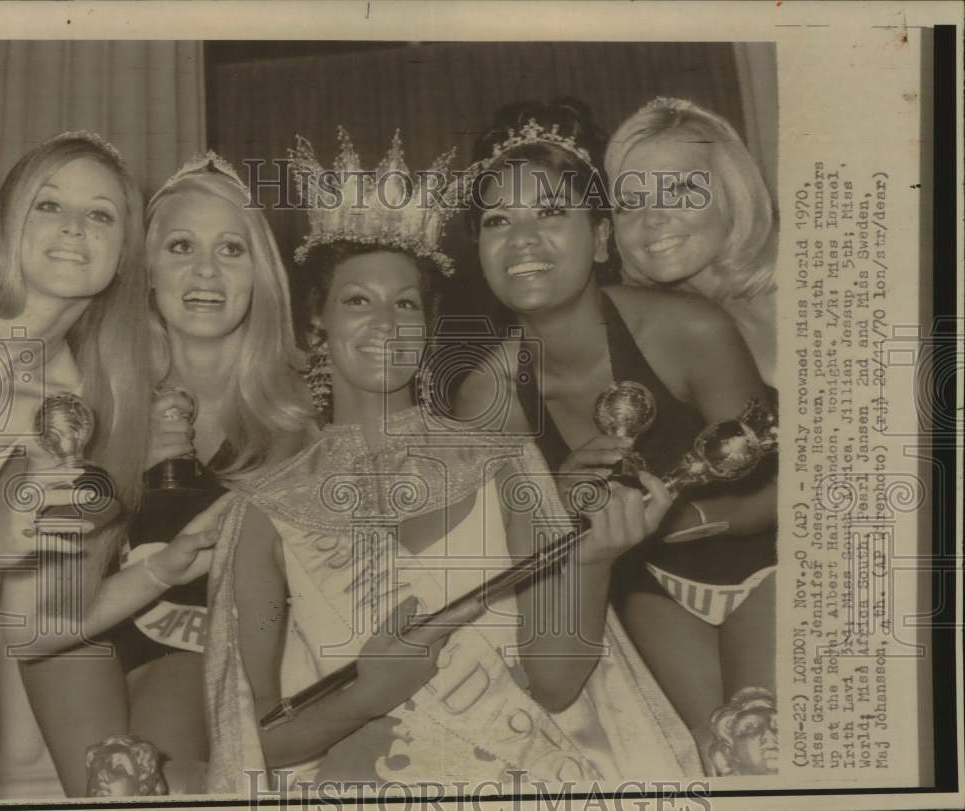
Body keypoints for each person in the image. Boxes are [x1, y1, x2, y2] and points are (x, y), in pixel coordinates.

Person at [203, 129, 701, 794]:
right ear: (315, 323)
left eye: (405, 302)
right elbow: (245, 736)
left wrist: (594, 559)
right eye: (358, 299)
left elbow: (555, 681)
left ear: (429, 326)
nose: (386, 321)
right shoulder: (265, 505)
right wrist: (364, 695)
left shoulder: (502, 458)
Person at [456, 100, 778, 768]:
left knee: (762, 740)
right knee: (705, 759)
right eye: (497, 221)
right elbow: (505, 576)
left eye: (551, 213)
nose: (523, 240)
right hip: (640, 601)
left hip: (766, 567)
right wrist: (552, 510)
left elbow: (791, 490)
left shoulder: (687, 330)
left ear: (601, 239)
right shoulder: (485, 396)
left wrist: (686, 518)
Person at [19, 153, 319, 794]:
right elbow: (50, 598)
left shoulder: (304, 412)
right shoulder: (94, 392)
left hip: (211, 654)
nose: (205, 270)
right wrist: (122, 472)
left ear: (260, 276)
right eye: (181, 246)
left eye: (231, 249)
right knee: (100, 746)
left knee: (150, 764)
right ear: (146, 271)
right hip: (88, 636)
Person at [0, 131, 212, 795]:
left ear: (126, 253)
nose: (74, 227)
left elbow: (37, 626)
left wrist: (165, 566)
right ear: (6, 219)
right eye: (49, 205)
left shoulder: (71, 401)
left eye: (101, 213)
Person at [604, 97, 778, 387]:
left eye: (676, 191)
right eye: (630, 203)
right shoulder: (658, 334)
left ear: (732, 191)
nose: (652, 218)